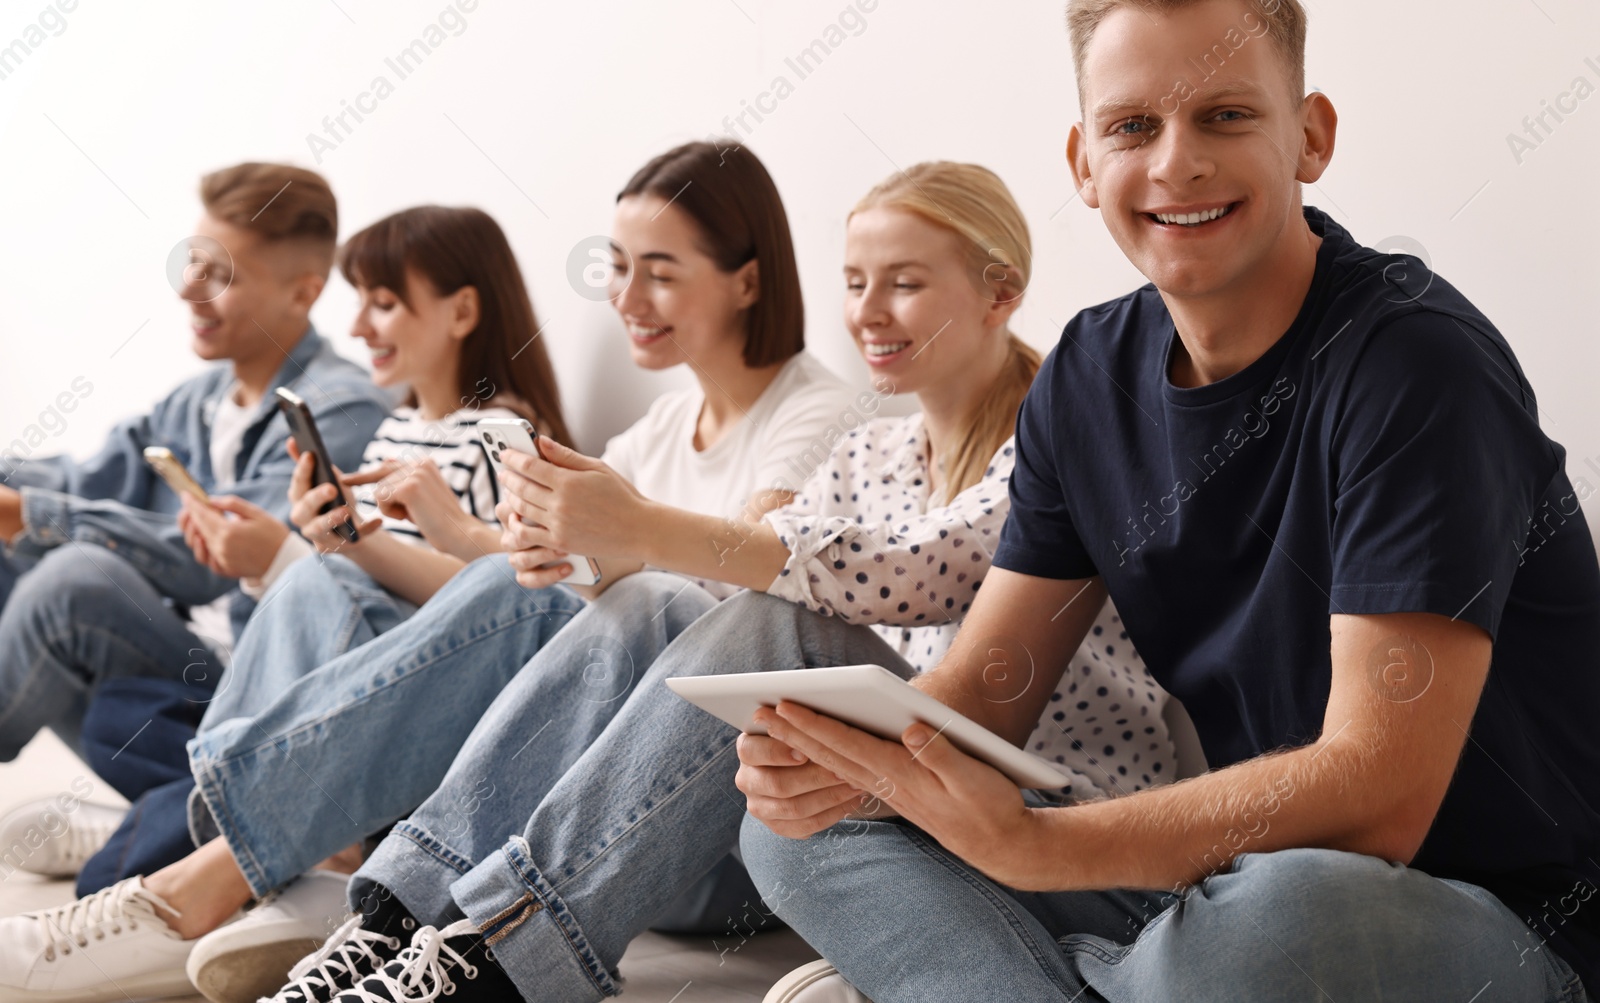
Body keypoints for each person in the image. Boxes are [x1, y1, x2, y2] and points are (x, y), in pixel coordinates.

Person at [735, 0, 1600, 1000]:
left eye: (1225, 116)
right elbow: (990, 694)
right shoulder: (1085, 374)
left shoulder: (1416, 365)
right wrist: (849, 767)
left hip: (1479, 921)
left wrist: (1036, 851)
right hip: (1234, 873)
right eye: (1132, 125)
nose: (1174, 162)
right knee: (797, 831)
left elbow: (1380, 797)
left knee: (1271, 922)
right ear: (1082, 160)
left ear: (1309, 136)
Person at [215, 160, 1178, 1003]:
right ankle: (400, 921)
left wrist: (638, 530)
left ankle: (494, 962)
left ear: (1000, 291)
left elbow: (899, 577)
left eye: (906, 284)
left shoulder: (1056, 432)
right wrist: (594, 553)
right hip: (895, 793)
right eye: (855, 283)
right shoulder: (871, 451)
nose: (869, 313)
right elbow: (764, 571)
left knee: (752, 617)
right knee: (646, 599)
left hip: (1060, 810)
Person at [0, 140, 859, 1003]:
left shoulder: (814, 412)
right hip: (578, 806)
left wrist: (480, 533)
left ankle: (201, 877)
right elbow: (563, 578)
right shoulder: (656, 433)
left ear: (748, 279)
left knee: (573, 594)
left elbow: (745, 598)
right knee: (330, 580)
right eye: (619, 268)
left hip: (704, 819)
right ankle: (297, 883)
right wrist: (432, 539)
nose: (627, 299)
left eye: (661, 273)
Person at [67, 204, 577, 898]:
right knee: (118, 714)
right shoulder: (396, 425)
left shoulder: (504, 437)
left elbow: (507, 604)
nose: (361, 325)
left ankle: (181, 835)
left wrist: (346, 552)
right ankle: (204, 826)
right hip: (343, 658)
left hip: (417, 684)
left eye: (385, 303)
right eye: (360, 302)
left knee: (314, 588)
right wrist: (318, 543)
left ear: (462, 312)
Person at [0, 161, 385, 767]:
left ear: (304, 292)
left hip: (248, 697)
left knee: (71, 579)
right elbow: (78, 479)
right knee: (12, 546)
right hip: (159, 684)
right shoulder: (197, 401)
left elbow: (216, 559)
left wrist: (30, 513)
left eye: (221, 274)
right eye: (194, 261)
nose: (189, 287)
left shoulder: (339, 405)